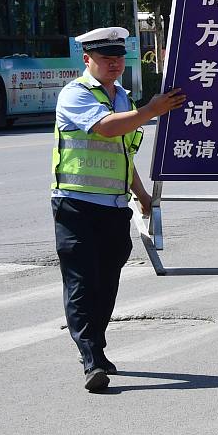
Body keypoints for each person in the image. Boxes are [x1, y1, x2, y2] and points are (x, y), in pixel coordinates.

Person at [52, 27, 186, 392]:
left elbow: (123, 154)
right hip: (75, 204)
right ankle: (91, 358)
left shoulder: (123, 97)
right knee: (81, 281)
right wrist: (151, 110)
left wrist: (141, 194)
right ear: (87, 60)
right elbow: (107, 130)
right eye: (104, 58)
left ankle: (96, 342)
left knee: (107, 280)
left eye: (117, 58)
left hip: (113, 207)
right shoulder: (75, 94)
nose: (113, 64)